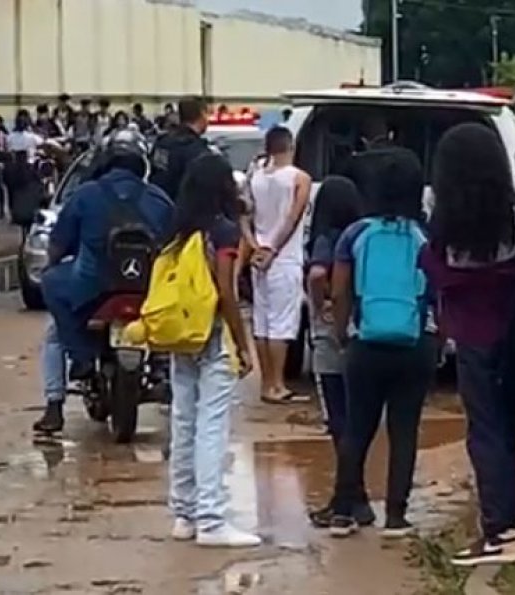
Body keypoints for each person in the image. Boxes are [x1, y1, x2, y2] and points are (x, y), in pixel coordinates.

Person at [422, 123, 515, 566]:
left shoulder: (448, 224)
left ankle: (501, 532)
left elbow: (437, 270)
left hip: (473, 337)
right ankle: (509, 521)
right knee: (507, 429)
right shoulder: (514, 213)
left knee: (484, 433)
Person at [326, 148, 435, 539]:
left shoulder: (356, 234)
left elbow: (339, 291)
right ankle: (396, 515)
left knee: (357, 427)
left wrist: (342, 332)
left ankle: (342, 511)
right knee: (404, 429)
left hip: (365, 342)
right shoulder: (425, 236)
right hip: (414, 343)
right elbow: (437, 289)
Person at [36, 130, 173, 432]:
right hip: (148, 290)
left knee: (53, 322)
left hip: (92, 288)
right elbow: (174, 245)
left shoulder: (85, 194)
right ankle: (163, 367)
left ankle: (57, 401)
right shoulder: (159, 198)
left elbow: (58, 244)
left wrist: (53, 264)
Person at [167, 153, 259, 548]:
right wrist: (243, 344)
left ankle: (183, 514)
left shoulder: (177, 229)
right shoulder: (223, 233)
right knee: (212, 425)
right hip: (214, 334)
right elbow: (226, 291)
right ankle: (212, 518)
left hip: (182, 333)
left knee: (184, 420)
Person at [303, 176, 375, 529]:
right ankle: (355, 497)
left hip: (332, 339)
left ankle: (348, 501)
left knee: (338, 422)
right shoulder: (364, 236)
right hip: (365, 334)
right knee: (359, 421)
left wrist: (321, 307)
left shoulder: (327, 237)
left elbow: (317, 274)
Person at [246, 127, 311, 404]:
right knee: (281, 324)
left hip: (258, 258)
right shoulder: (300, 178)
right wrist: (273, 249)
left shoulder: (255, 178)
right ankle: (278, 385)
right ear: (291, 146)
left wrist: (254, 245)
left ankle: (265, 384)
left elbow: (243, 216)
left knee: (261, 322)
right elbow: (293, 218)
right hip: (284, 258)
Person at [150, 96, 212, 202]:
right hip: (183, 213)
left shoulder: (162, 143)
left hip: (156, 207)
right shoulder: (198, 151)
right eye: (207, 114)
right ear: (202, 114)